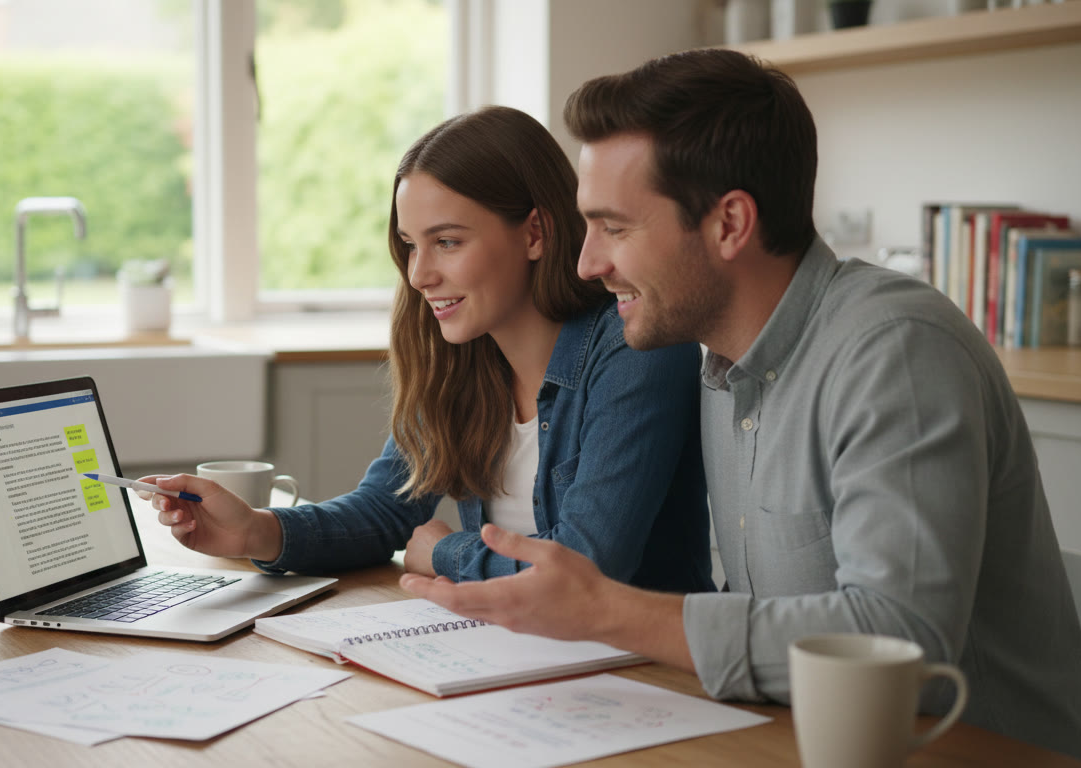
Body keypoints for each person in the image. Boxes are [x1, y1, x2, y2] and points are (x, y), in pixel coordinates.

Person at [401, 50, 1081, 761]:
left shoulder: (896, 351)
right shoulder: (720, 368)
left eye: (614, 227)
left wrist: (610, 611)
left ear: (730, 223)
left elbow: (899, 642)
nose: (586, 263)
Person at [146, 105, 714, 594]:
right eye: (409, 246)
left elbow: (584, 565)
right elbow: (385, 508)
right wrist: (255, 529)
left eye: (447, 242)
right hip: (516, 653)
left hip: (644, 675)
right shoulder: (460, 357)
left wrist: (447, 553)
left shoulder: (635, 348)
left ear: (535, 233)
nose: (420, 274)